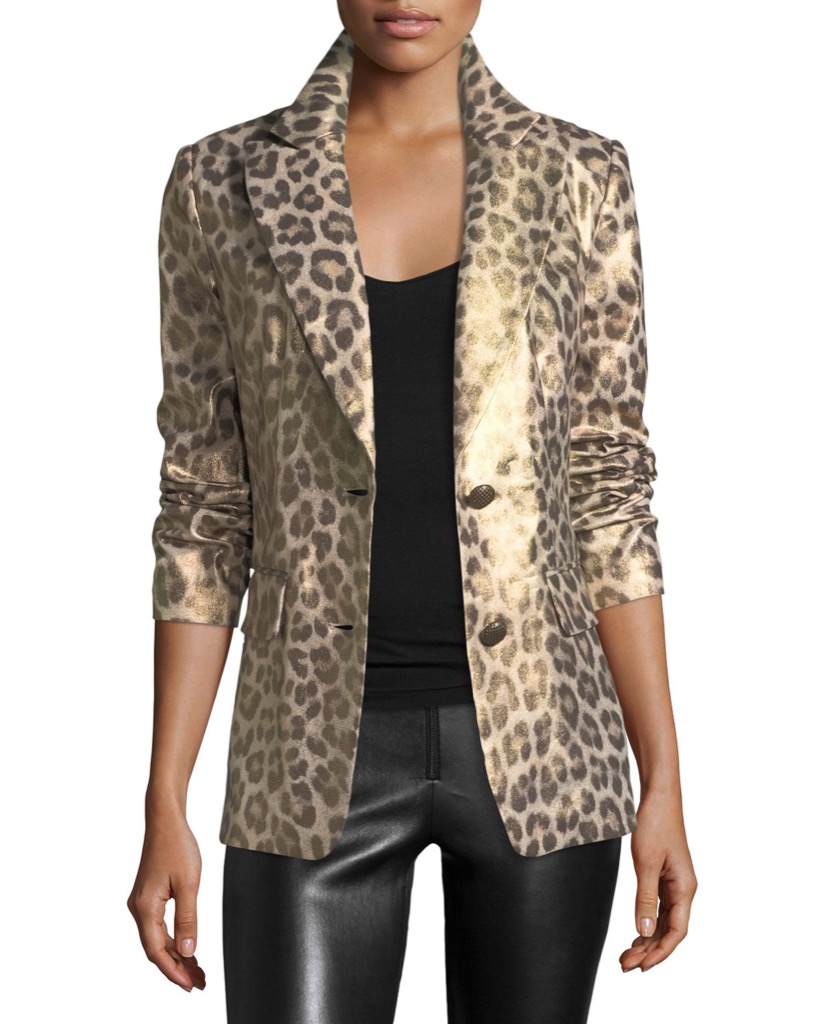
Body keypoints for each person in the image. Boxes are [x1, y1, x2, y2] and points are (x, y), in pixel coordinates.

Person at [127, 2, 697, 1021]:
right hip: (304, 754)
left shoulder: (579, 175)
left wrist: (663, 779)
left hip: (544, 746)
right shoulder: (220, 182)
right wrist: (165, 797)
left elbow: (609, 485)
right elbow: (204, 503)